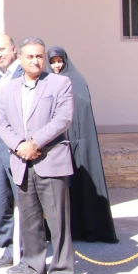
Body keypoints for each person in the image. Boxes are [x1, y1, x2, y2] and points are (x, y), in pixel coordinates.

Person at [0, 38, 75, 274]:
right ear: (20, 58)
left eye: (39, 56)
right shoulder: (9, 88)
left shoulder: (59, 83)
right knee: (30, 222)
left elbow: (62, 118)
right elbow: (1, 123)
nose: (35, 61)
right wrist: (20, 145)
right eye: (30, 56)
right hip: (21, 162)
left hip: (50, 161)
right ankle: (33, 269)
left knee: (57, 222)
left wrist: (35, 142)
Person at [47, 46, 117, 243]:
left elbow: (83, 110)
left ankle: (90, 228)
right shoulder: (47, 83)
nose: (56, 65)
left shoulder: (76, 80)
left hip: (79, 142)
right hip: (58, 143)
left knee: (83, 186)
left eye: (59, 61)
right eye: (52, 62)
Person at [0, 34, 24, 270]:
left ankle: (27, 254)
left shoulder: (22, 74)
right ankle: (8, 248)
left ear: (13, 49)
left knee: (23, 202)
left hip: (16, 145)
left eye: (1, 49)